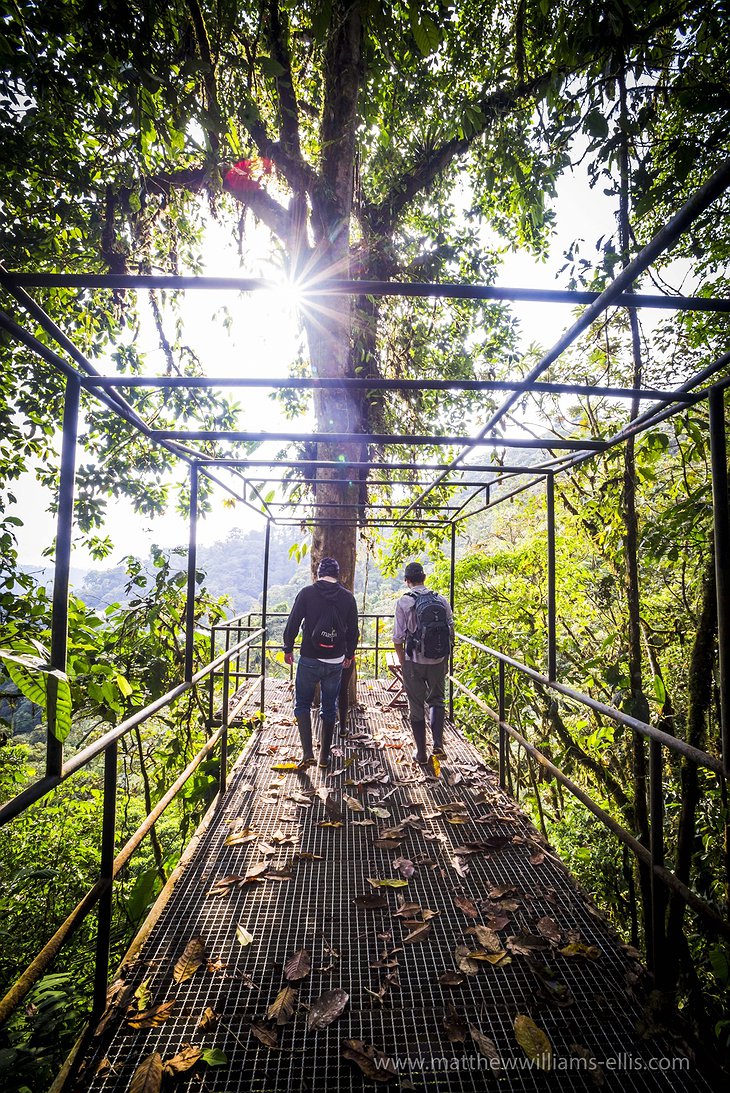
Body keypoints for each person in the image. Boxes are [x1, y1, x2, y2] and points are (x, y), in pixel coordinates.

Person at [283, 557, 359, 769]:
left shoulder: (307, 593)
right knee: (329, 707)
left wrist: (288, 647)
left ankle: (308, 752)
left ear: (318, 573)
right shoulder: (348, 598)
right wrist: (349, 655)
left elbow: (294, 622)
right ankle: (324, 757)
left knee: (302, 705)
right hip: (335, 661)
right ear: (337, 575)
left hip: (309, 657)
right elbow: (353, 630)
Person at [393, 561, 454, 765]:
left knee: (416, 704)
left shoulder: (404, 602)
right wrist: (444, 657)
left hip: (414, 660)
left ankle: (420, 753)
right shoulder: (441, 599)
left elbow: (398, 637)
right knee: (437, 700)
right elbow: (450, 628)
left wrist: (403, 662)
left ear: (407, 580)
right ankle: (438, 744)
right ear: (424, 578)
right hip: (438, 659)